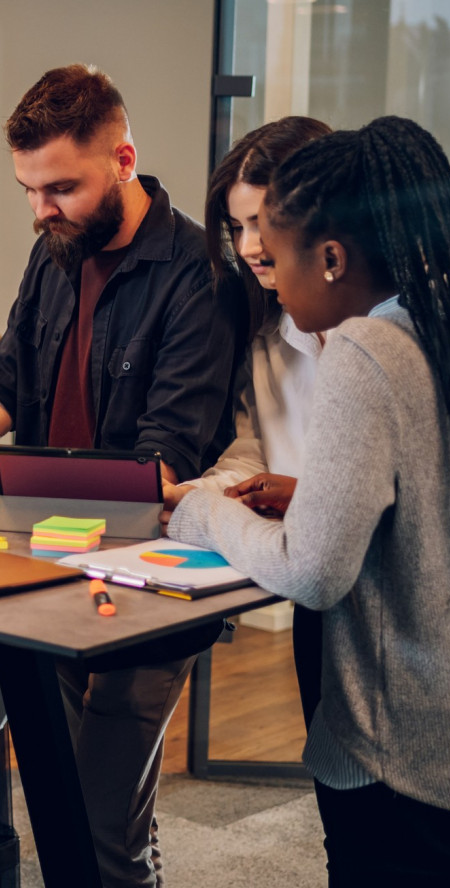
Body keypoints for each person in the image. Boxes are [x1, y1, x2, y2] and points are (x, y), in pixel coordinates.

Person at [165, 117, 450, 886]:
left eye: (279, 243)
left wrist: (203, 511)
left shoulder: (367, 350)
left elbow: (314, 572)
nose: (263, 262)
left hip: (426, 754)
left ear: (331, 257)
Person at [0, 64, 242, 887]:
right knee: (65, 808)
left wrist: (1, 481)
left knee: (99, 831)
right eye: (28, 189)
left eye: (59, 188)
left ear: (123, 162)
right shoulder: (57, 252)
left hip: (147, 581)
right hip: (43, 561)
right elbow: (5, 385)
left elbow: (159, 468)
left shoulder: (198, 274)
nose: (40, 210)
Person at [170, 116, 334, 726]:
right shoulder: (269, 334)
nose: (248, 247)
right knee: (341, 800)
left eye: (262, 223)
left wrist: (302, 497)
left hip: (400, 611)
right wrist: (185, 497)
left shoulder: (384, 344)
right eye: (237, 226)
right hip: (322, 611)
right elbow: (250, 456)